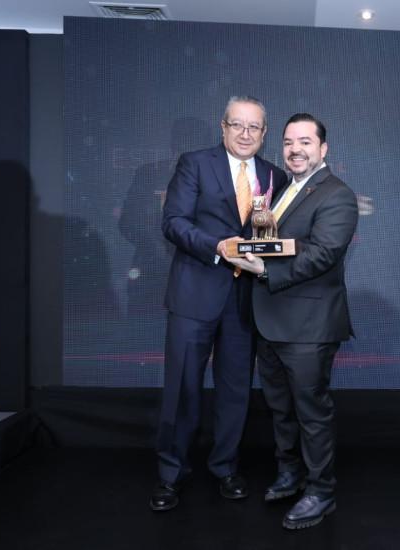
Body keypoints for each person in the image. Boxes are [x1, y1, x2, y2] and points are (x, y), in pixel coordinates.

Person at [150, 96, 288, 511]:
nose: (245, 134)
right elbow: (173, 222)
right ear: (223, 127)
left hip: (246, 300)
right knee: (182, 387)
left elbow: (272, 236)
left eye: (254, 127)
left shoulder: (274, 175)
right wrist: (217, 247)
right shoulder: (194, 163)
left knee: (235, 389)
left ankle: (226, 467)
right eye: (237, 125)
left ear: (264, 133)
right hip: (195, 293)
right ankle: (170, 474)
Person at [227, 113, 358, 529]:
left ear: (323, 149)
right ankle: (290, 474)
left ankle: (321, 492)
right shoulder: (281, 190)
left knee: (311, 414)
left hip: (309, 327)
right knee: (280, 409)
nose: (295, 150)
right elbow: (269, 242)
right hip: (270, 322)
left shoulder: (337, 195)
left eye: (305, 142)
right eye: (288, 142)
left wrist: (265, 271)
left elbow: (323, 253)